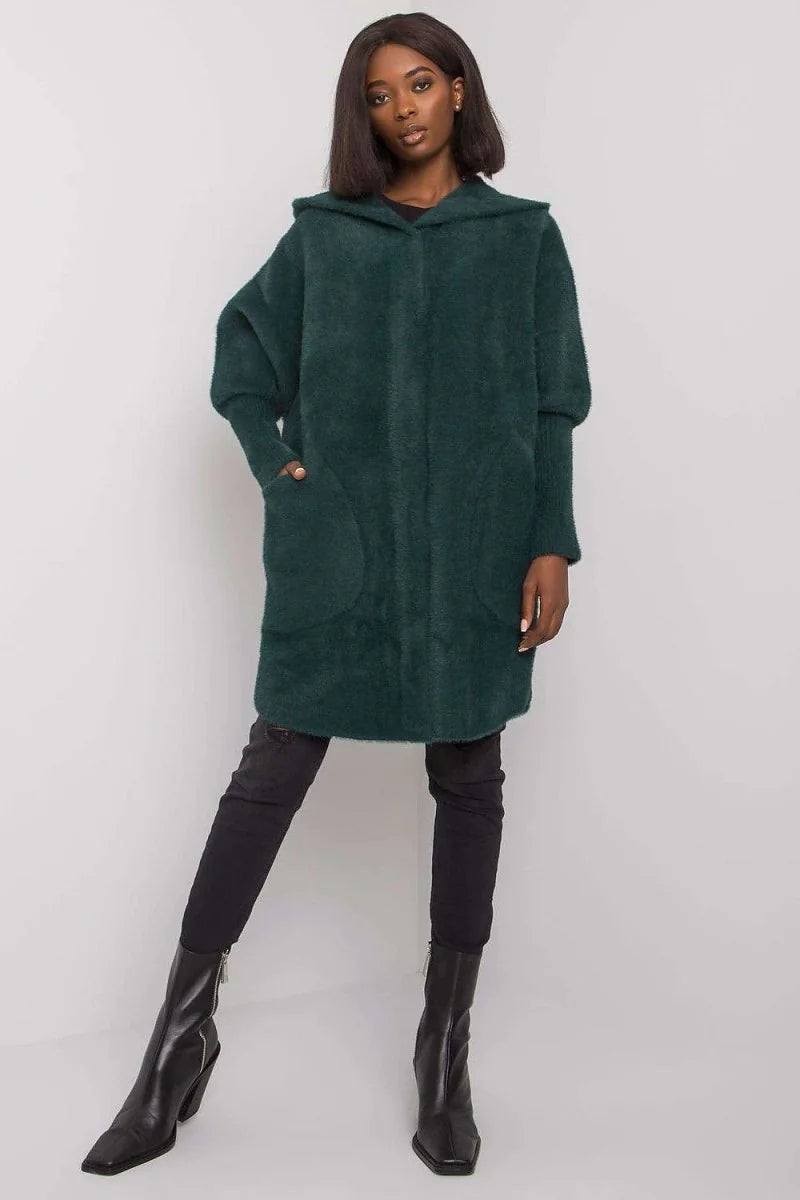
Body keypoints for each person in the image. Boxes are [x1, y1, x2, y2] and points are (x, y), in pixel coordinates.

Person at [80, 10, 592, 1180]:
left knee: (468, 772)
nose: (399, 108)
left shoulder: (521, 238)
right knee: (270, 770)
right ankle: (176, 1047)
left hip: (475, 547)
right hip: (341, 548)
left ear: (457, 90)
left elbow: (552, 398)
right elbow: (241, 360)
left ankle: (442, 1052)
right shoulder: (323, 238)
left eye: (418, 83)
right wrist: (279, 470)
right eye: (376, 93)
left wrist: (550, 543)